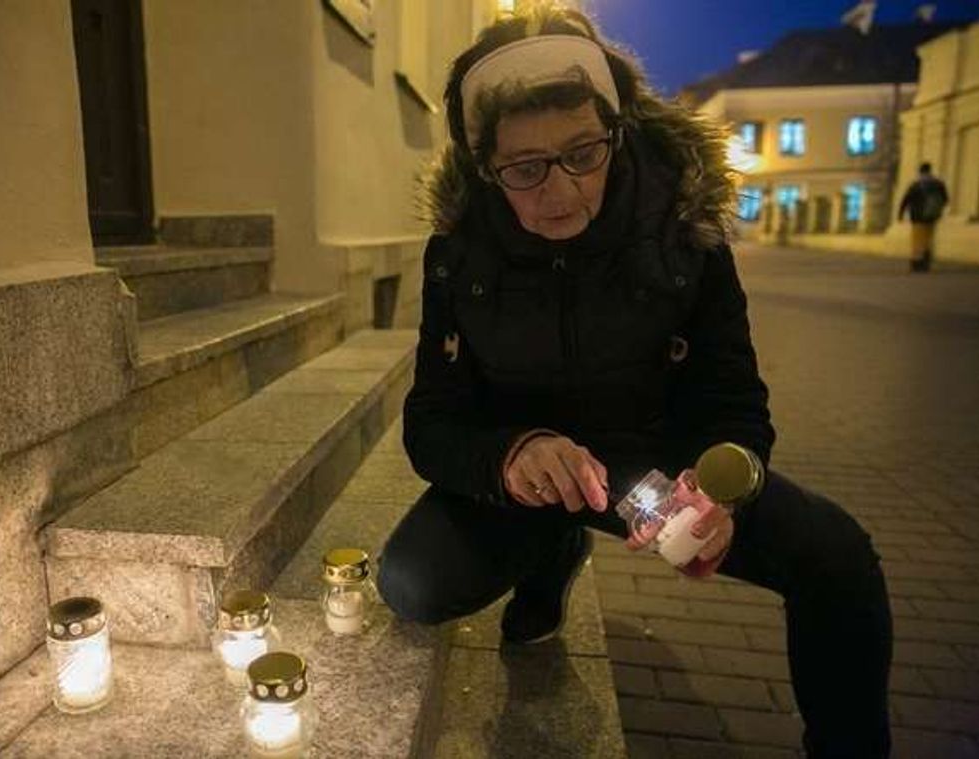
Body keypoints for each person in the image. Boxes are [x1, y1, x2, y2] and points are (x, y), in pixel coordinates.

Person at [375, 6, 893, 757]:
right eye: (525, 169)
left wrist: (723, 488)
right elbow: (432, 419)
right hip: (532, 470)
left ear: (615, 131)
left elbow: (732, 398)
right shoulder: (459, 250)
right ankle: (552, 545)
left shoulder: (685, 228)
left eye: (583, 152)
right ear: (485, 166)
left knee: (838, 558)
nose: (561, 191)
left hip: (654, 468)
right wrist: (511, 457)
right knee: (412, 584)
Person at [898, 162, 949, 272]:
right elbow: (945, 199)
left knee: (917, 239)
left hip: (917, 216)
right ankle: (926, 261)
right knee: (928, 238)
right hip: (931, 216)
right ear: (930, 170)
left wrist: (901, 213)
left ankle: (917, 262)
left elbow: (906, 199)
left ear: (920, 171)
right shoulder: (939, 184)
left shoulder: (916, 185)